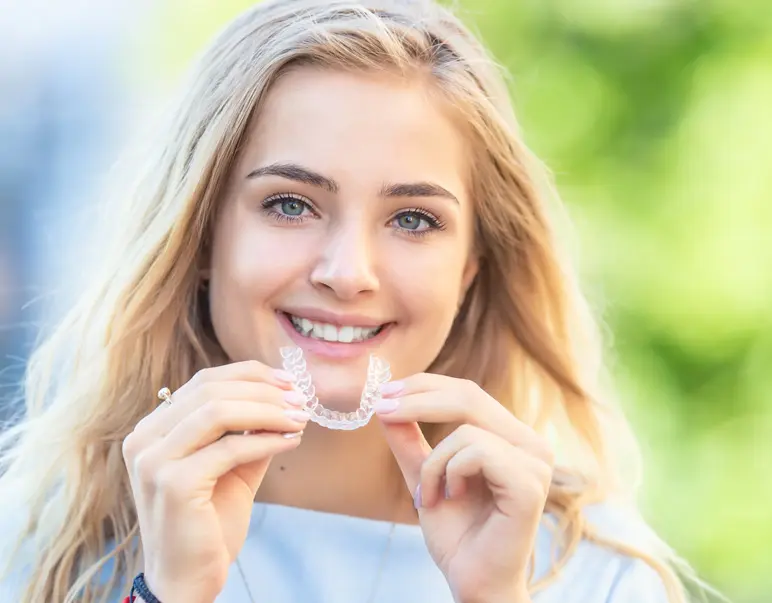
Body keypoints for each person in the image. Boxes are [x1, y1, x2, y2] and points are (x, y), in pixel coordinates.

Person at [0, 1, 710, 602]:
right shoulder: (45, 550)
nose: (348, 272)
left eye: (412, 219)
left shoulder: (598, 575)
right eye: (289, 204)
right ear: (201, 236)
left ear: (471, 267)